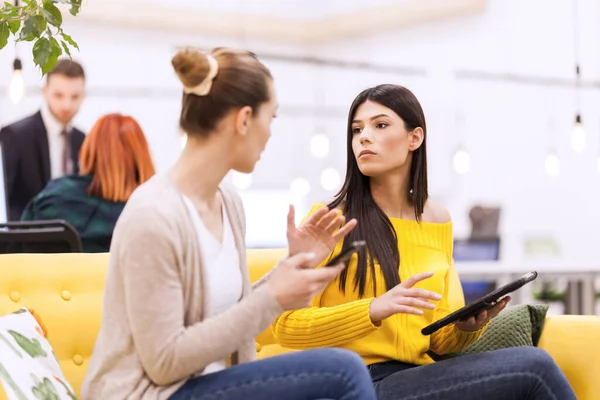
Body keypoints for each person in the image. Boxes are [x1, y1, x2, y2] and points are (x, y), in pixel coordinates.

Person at [80, 47, 376, 400]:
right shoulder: (153, 215)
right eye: (272, 117)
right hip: (151, 394)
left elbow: (231, 312)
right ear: (244, 120)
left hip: (212, 386)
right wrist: (272, 296)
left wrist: (293, 267)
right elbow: (164, 362)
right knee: (344, 372)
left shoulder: (229, 204)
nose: (270, 133)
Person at [272, 84, 576, 400]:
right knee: (533, 367)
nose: (363, 137)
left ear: (414, 138)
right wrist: (372, 310)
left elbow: (438, 340)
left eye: (380, 125)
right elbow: (285, 325)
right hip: (353, 383)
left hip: (417, 378)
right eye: (356, 129)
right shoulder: (331, 218)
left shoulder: (436, 220)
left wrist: (467, 327)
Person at [21, 113, 156, 253]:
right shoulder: (149, 212)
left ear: (89, 150)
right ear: (141, 157)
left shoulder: (54, 196)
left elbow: (18, 241)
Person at [0, 58, 86, 221]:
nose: (67, 105)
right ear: (44, 91)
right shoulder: (14, 136)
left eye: (75, 97)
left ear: (84, 96)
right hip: (25, 240)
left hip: (72, 240)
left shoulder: (83, 141)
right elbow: (5, 201)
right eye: (58, 95)